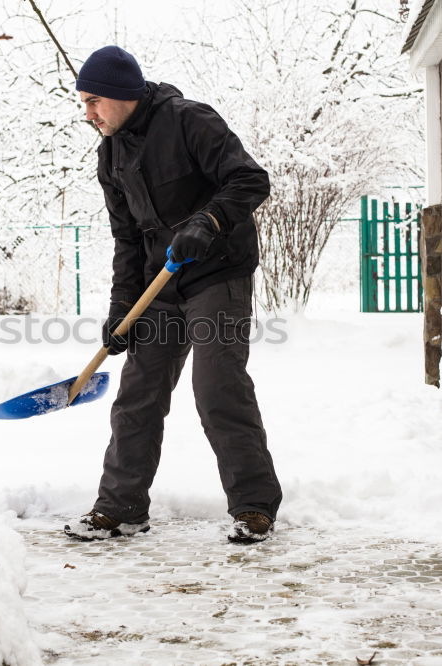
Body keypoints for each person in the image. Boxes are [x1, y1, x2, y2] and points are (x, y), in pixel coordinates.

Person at [63, 46, 282, 544]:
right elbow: (127, 240)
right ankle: (120, 509)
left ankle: (254, 506)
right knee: (137, 395)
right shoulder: (111, 154)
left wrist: (209, 220)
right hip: (159, 284)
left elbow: (250, 180)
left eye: (94, 101)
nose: (88, 114)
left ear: (122, 94)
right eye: (84, 103)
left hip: (216, 273)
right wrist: (122, 308)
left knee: (216, 386)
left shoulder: (189, 121)